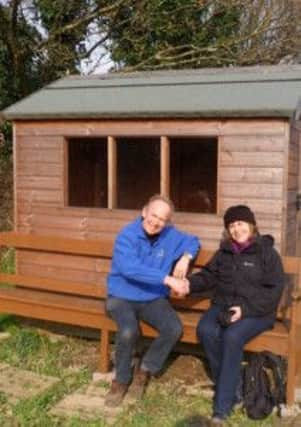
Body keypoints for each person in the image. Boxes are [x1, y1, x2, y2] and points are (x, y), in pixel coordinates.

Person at [188, 205, 285, 426]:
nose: (236, 229)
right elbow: (208, 277)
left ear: (252, 225)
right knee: (205, 330)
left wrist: (246, 309)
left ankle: (222, 409)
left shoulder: (267, 253)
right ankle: (233, 386)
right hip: (224, 306)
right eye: (231, 225)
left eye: (240, 223)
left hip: (258, 312)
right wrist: (188, 284)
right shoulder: (224, 253)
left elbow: (274, 290)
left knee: (232, 337)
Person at [105, 194, 200, 407]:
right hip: (121, 297)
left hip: (151, 298)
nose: (156, 222)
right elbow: (130, 269)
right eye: (153, 215)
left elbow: (193, 241)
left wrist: (185, 258)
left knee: (173, 328)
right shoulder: (127, 236)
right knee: (129, 331)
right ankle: (120, 380)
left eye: (162, 219)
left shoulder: (170, 235)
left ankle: (145, 369)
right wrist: (167, 279)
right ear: (144, 212)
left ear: (167, 222)